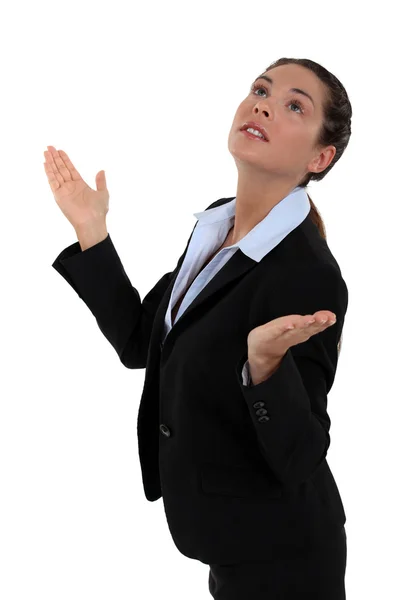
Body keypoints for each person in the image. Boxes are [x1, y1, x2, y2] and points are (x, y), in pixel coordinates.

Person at [46, 56, 352, 599]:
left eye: (293, 106)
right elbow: (144, 342)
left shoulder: (307, 275)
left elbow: (302, 454)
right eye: (261, 88)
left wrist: (265, 368)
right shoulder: (217, 225)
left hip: (285, 559)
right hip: (229, 544)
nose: (263, 103)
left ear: (320, 157)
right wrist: (92, 230)